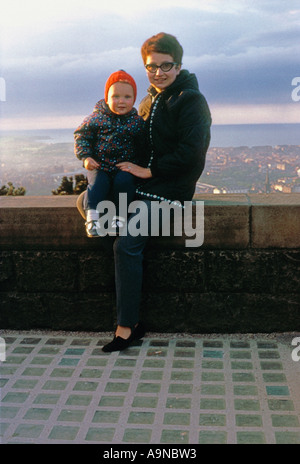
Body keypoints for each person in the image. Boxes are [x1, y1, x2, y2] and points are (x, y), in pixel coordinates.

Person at [101, 32, 212, 352]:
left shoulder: (190, 99)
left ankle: (128, 325)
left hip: (171, 189)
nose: (159, 72)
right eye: (152, 67)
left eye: (167, 65)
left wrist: (151, 171)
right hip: (143, 186)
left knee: (127, 242)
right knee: (88, 200)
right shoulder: (149, 99)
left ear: (179, 65)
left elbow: (193, 153)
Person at [74, 70, 145, 237]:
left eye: (127, 97)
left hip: (124, 168)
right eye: (115, 96)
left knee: (125, 183)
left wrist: (138, 165)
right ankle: (92, 218)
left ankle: (119, 219)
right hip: (100, 165)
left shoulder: (136, 122)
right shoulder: (97, 118)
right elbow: (81, 135)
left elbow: (143, 145)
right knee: (97, 185)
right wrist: (86, 157)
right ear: (107, 98)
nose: (121, 101)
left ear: (133, 99)